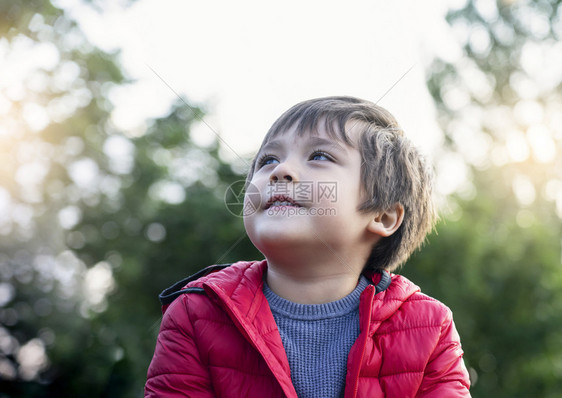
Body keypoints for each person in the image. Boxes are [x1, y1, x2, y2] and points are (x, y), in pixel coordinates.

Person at [145, 96, 471, 397]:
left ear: (383, 216)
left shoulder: (430, 326)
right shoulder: (195, 314)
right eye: (267, 160)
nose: (280, 171)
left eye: (319, 156)